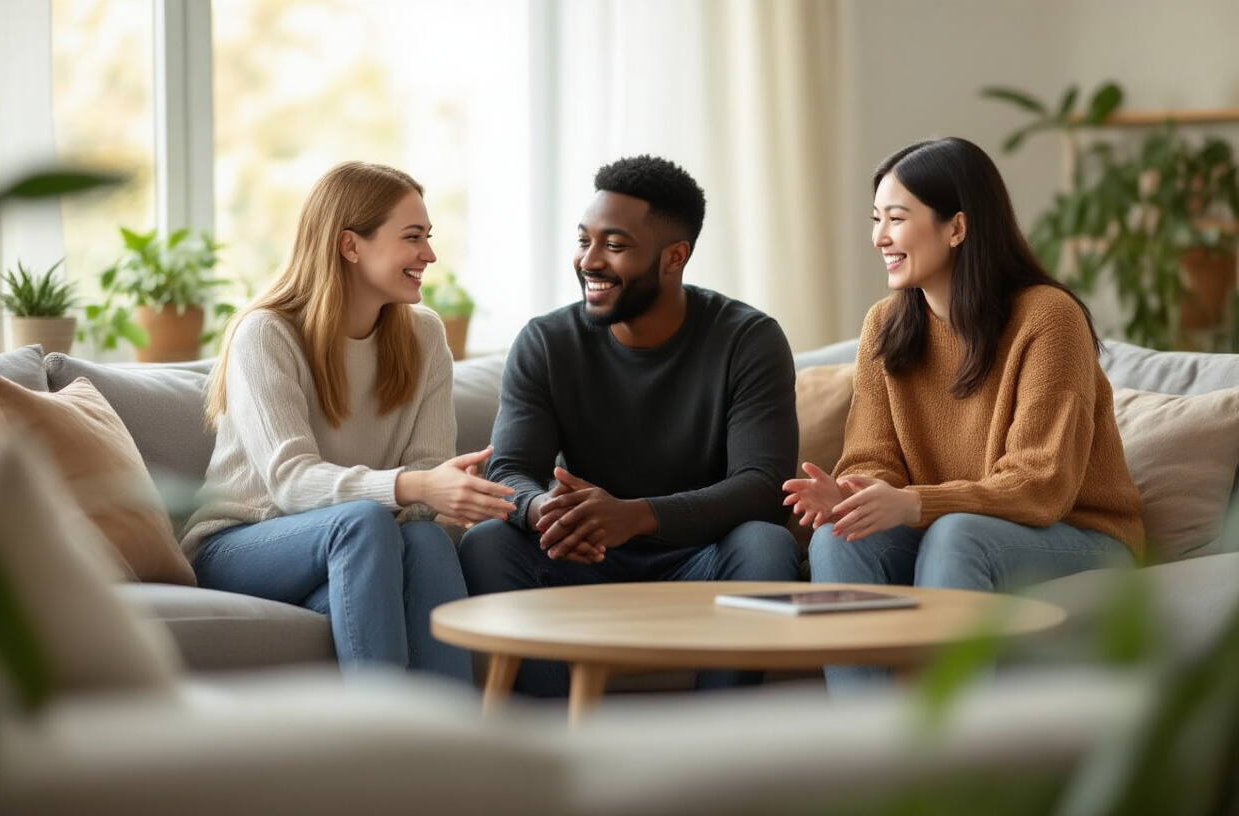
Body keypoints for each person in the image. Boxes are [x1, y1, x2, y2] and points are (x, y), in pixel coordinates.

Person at [784, 136, 1144, 691]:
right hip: (951, 525)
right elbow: (872, 455)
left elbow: (1041, 485)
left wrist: (912, 503)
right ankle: (864, 751)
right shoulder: (885, 324)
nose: (879, 237)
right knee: (839, 537)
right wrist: (857, 494)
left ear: (957, 226)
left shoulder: (1049, 318)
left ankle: (956, 756)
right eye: (876, 218)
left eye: (897, 219)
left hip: (1079, 536)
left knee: (958, 535)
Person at [457, 154, 801, 697]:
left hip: (700, 556)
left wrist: (636, 516)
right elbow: (511, 470)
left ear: (674, 257)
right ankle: (552, 742)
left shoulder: (747, 339)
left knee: (765, 546)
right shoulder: (547, 342)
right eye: (584, 240)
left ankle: (721, 743)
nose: (589, 261)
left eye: (614, 246)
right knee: (488, 543)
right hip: (586, 554)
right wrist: (541, 508)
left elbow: (763, 487)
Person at [181, 161, 516, 681]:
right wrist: (418, 487)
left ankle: (451, 743)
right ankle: (379, 742)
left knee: (423, 540)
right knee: (364, 522)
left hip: (360, 542)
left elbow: (426, 482)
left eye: (428, 237)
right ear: (350, 245)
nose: (429, 254)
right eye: (412, 237)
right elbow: (291, 483)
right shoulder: (266, 334)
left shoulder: (425, 338)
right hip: (244, 542)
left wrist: (457, 501)